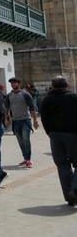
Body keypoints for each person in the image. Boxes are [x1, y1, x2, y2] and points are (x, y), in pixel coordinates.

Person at [39, 75, 77, 206]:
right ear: (67, 85)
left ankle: (69, 197)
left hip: (55, 135)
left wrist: (50, 132)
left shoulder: (48, 99)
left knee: (62, 166)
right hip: (73, 134)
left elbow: (44, 118)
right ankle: (75, 189)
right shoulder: (74, 97)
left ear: (53, 86)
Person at [4, 76, 39, 168]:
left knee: (26, 139)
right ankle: (25, 158)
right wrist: (6, 119)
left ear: (19, 84)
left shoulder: (25, 94)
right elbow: (6, 108)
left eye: (14, 83)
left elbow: (32, 108)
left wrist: (35, 120)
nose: (12, 84)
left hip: (25, 120)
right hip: (15, 121)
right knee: (20, 141)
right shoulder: (9, 96)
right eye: (11, 83)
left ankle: (28, 159)